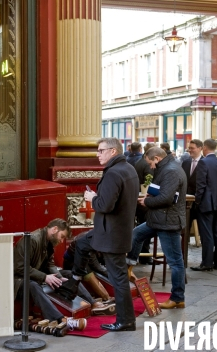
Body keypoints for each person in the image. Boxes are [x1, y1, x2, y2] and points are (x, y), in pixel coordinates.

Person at [73, 137, 139, 332]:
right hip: (118, 231)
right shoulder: (129, 169)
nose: (97, 154)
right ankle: (126, 319)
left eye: (101, 150)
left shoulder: (113, 173)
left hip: (111, 233)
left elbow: (105, 205)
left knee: (118, 279)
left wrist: (92, 198)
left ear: (112, 151)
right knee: (84, 245)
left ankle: (125, 320)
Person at [13, 219, 110, 332]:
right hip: (19, 279)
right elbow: (19, 268)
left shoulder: (48, 241)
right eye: (62, 236)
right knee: (33, 285)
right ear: (54, 229)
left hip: (36, 274)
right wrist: (45, 277)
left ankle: (92, 304)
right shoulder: (33, 240)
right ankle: (61, 319)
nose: (61, 240)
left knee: (69, 274)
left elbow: (50, 264)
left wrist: (59, 277)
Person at [126, 147, 187, 309]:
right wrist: (150, 195)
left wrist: (146, 202)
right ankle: (128, 268)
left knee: (175, 262)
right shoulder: (167, 168)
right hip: (159, 219)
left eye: (151, 163)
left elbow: (166, 198)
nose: (151, 167)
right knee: (136, 234)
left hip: (167, 222)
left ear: (157, 159)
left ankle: (177, 298)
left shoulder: (171, 171)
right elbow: (162, 191)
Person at [191, 138, 217, 272]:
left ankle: (207, 263)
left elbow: (200, 185)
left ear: (205, 148)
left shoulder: (203, 162)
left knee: (206, 233)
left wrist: (197, 200)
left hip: (206, 203)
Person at [63, 232, 114, 304]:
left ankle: (105, 297)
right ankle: (106, 298)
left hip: (84, 260)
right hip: (73, 262)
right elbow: (96, 266)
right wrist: (111, 274)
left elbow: (103, 259)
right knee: (88, 274)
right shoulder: (90, 242)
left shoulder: (100, 238)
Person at [133, 142, 156, 263]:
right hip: (144, 200)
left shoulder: (139, 162)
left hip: (140, 197)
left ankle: (142, 254)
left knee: (141, 227)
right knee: (145, 228)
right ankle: (145, 255)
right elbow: (149, 181)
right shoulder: (146, 165)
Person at [181, 139, 203, 240]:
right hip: (186, 200)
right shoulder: (185, 163)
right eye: (189, 148)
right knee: (185, 225)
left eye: (192, 148)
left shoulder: (204, 162)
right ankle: (185, 241)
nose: (190, 150)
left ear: (200, 148)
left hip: (200, 201)